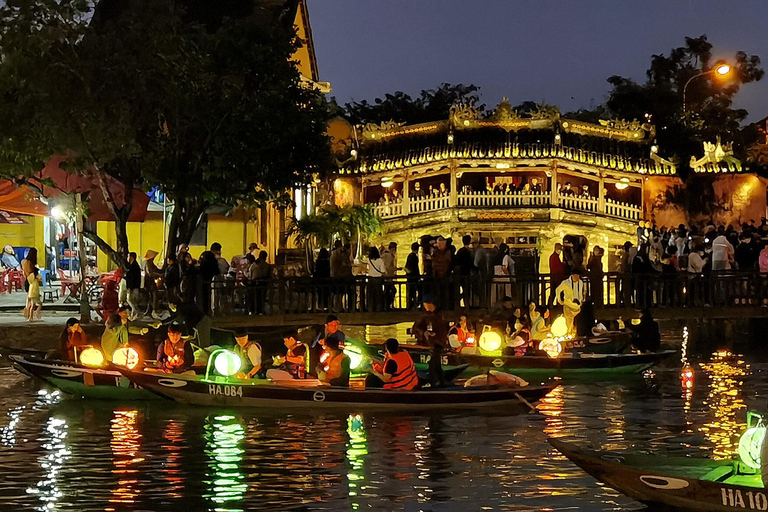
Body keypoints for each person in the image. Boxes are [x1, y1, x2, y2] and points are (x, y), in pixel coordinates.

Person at [411, 295, 448, 387]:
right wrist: (424, 333)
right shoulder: (425, 315)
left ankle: (434, 383)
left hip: (438, 344)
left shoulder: (440, 316)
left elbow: (442, 332)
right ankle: (440, 382)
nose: (425, 306)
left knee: (433, 365)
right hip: (431, 343)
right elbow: (417, 328)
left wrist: (433, 336)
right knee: (436, 365)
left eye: (426, 304)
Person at [555, 270, 585, 334]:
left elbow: (581, 293)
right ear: (573, 275)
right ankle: (568, 334)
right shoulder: (566, 283)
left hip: (577, 306)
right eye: (576, 276)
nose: (577, 277)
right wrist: (560, 300)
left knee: (576, 323)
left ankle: (575, 334)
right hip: (568, 304)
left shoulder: (581, 282)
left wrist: (581, 300)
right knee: (568, 322)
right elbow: (558, 290)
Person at [367, 246, 386, 312]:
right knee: (378, 295)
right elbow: (383, 270)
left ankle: (370, 308)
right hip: (378, 280)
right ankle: (379, 309)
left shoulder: (369, 260)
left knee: (371, 295)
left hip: (371, 279)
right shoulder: (380, 260)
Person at [124, 252, 142, 320]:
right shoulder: (132, 265)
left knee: (129, 300)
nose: (127, 258)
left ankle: (136, 312)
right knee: (132, 301)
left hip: (133, 287)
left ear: (131, 257)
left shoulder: (134, 266)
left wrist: (130, 288)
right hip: (134, 286)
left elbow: (133, 278)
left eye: (128, 256)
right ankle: (133, 315)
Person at [405, 242, 421, 310]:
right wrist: (418, 276)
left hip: (409, 276)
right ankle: (414, 304)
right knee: (414, 291)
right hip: (413, 277)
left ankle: (410, 305)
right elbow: (415, 268)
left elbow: (407, 267)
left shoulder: (409, 256)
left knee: (410, 292)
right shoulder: (414, 257)